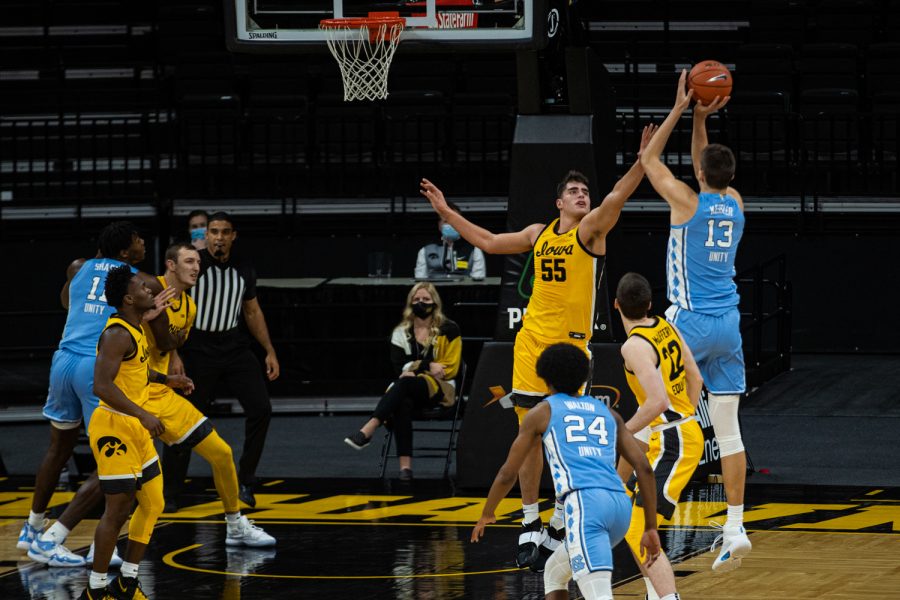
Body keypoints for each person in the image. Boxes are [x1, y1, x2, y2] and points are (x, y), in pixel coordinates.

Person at [420, 123, 657, 571]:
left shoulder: (590, 234)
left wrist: (642, 163)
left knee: (570, 439)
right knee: (527, 434)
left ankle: (564, 516)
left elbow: (616, 199)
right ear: (558, 202)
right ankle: (531, 519)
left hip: (570, 351)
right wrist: (448, 212)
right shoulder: (537, 233)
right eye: (573, 191)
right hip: (530, 344)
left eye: (584, 191)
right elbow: (489, 242)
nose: (582, 195)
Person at [640, 71, 752, 571]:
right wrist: (704, 120)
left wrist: (683, 107)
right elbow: (702, 164)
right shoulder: (736, 204)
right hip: (729, 323)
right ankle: (736, 524)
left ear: (701, 175)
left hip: (689, 323)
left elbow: (649, 161)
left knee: (650, 407)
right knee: (729, 433)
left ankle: (642, 508)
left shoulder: (686, 203)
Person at [17, 221, 172, 568]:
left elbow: (66, 301)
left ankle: (32, 526)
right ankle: (54, 537)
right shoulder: (138, 278)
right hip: (94, 365)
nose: (143, 244)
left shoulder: (79, 266)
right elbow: (164, 340)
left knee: (58, 447)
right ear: (124, 252)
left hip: (64, 360)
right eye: (137, 242)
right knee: (113, 460)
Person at [471, 343, 661, 600]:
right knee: (554, 572)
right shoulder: (608, 412)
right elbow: (644, 469)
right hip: (619, 506)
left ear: (544, 379)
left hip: (587, 507)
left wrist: (488, 512)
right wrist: (650, 527)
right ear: (584, 377)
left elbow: (508, 473)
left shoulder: (542, 411)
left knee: (599, 595)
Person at [143, 243, 275, 544]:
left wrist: (174, 357)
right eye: (190, 261)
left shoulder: (189, 307)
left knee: (222, 453)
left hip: (161, 393)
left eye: (198, 263)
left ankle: (234, 525)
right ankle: (54, 534)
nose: (196, 267)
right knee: (120, 482)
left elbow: (169, 342)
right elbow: (118, 329)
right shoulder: (147, 289)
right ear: (170, 265)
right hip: (130, 392)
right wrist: (144, 317)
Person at [82, 264, 193, 600]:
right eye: (144, 288)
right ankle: (96, 590)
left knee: (154, 501)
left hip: (134, 427)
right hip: (114, 426)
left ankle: (127, 582)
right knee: (117, 511)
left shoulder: (135, 327)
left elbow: (136, 371)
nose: (150, 290)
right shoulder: (116, 334)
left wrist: (166, 380)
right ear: (129, 299)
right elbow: (101, 386)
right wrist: (143, 413)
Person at [161, 211, 280, 511]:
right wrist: (174, 353)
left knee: (261, 408)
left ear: (233, 236)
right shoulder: (195, 266)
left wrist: (269, 349)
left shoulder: (244, 268)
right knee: (183, 420)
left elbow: (252, 311)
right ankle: (170, 490)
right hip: (197, 348)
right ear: (207, 235)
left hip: (234, 345)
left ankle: (246, 481)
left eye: (225, 232)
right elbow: (170, 308)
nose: (219, 237)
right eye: (214, 231)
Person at [614, 272, 703, 600]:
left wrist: (622, 429)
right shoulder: (666, 326)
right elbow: (695, 377)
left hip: (672, 440)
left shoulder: (633, 347)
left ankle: (667, 597)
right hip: (673, 434)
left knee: (638, 527)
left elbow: (657, 403)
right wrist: (685, 418)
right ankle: (657, 592)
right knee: (627, 513)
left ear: (616, 305)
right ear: (650, 304)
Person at [344, 282, 462, 480]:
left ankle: (370, 427)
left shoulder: (449, 329)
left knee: (405, 385)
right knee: (402, 402)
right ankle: (405, 469)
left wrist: (415, 367)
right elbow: (400, 369)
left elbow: (449, 369)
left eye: (426, 299)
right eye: (416, 300)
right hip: (409, 389)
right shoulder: (400, 333)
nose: (421, 303)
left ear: (435, 302)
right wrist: (427, 366)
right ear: (410, 303)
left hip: (441, 390)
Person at [414, 201, 486, 279]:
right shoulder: (426, 251)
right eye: (446, 221)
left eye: (455, 221)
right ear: (439, 225)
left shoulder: (474, 250)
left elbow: (478, 282)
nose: (451, 224)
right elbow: (420, 282)